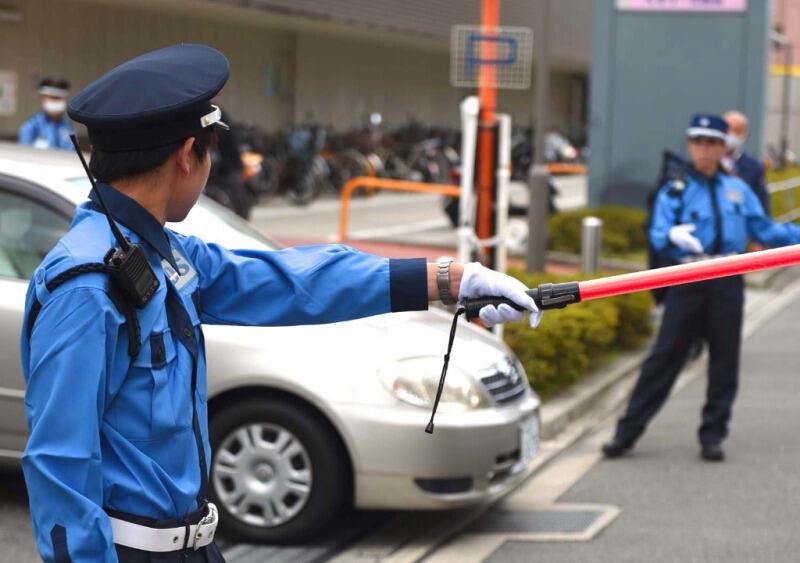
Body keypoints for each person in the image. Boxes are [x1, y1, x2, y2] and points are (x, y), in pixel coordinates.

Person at [20, 44, 541, 562]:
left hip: (193, 547)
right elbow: (60, 465)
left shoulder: (160, 253)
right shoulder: (87, 287)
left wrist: (450, 280)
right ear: (187, 155)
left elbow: (289, 280)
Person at [602, 114, 800, 463]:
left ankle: (713, 435)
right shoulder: (675, 190)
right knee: (665, 357)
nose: (704, 150)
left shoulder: (737, 189)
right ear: (689, 145)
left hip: (728, 277)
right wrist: (671, 236)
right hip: (689, 277)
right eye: (698, 142)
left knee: (725, 359)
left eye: (712, 143)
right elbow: (658, 232)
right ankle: (626, 432)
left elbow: (766, 230)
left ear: (724, 148)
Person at [722, 110, 770, 215]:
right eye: (728, 129)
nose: (731, 135)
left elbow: (762, 204)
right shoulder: (707, 161)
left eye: (737, 131)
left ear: (746, 135)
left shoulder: (754, 167)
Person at [18, 77, 75, 150]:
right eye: (53, 98)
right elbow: (24, 152)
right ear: (43, 99)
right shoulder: (31, 126)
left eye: (59, 98)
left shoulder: (68, 126)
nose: (56, 102)